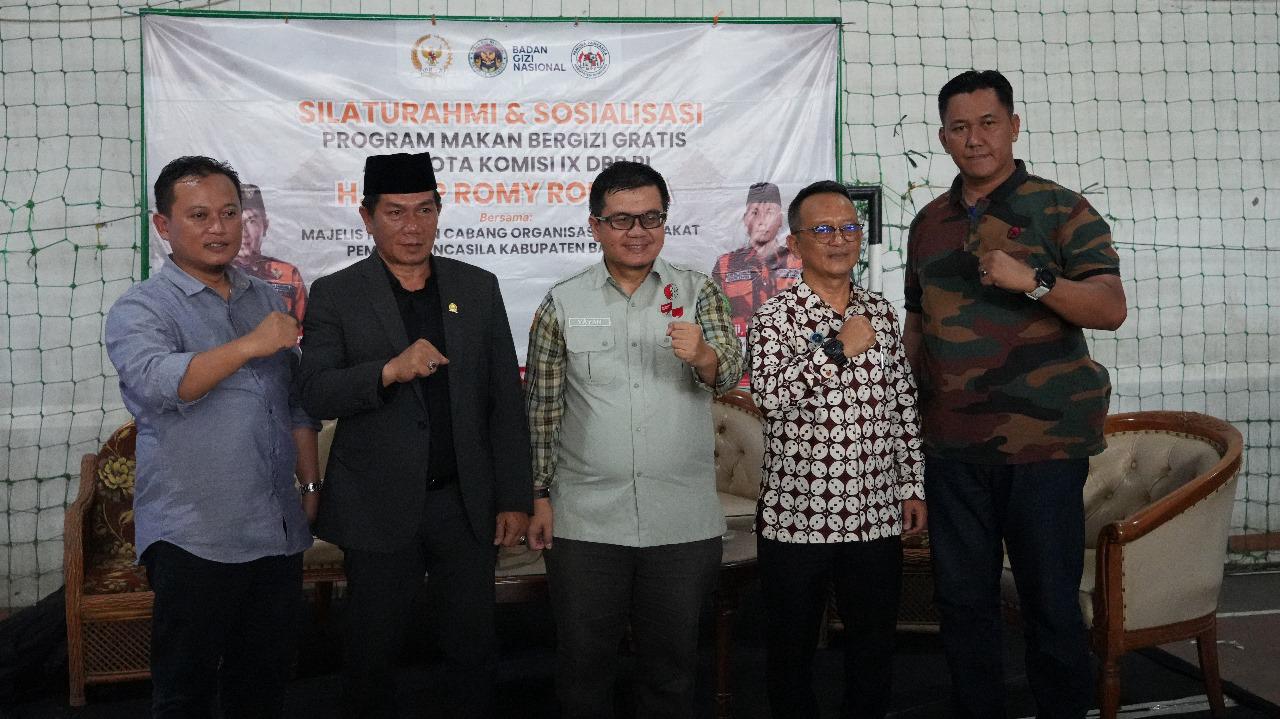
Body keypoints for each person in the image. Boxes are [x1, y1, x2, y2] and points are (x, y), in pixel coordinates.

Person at [903, 70, 1127, 719]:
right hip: (952, 449)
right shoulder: (929, 222)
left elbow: (1111, 308)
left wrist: (1034, 281)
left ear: (1014, 127)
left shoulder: (1061, 209)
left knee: (1050, 604)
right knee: (962, 604)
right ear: (943, 137)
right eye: (959, 127)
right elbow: (917, 325)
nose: (974, 138)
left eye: (988, 123)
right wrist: (902, 416)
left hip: (1044, 450)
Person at [297, 151, 531, 718]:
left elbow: (504, 400)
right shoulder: (336, 293)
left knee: (473, 649)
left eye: (425, 210)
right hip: (376, 506)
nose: (412, 226)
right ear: (367, 216)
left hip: (464, 504)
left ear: (439, 212)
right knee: (371, 653)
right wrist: (387, 371)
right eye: (396, 212)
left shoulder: (476, 287)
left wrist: (514, 498)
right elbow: (316, 392)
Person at [524, 160, 744, 718]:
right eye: (621, 219)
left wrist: (703, 354)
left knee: (670, 673)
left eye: (651, 217)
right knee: (583, 671)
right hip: (585, 520)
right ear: (595, 226)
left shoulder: (698, 291)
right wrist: (538, 494)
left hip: (680, 519)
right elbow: (542, 409)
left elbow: (729, 373)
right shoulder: (562, 302)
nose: (638, 231)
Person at [104, 155, 318, 717]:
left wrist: (309, 484)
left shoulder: (264, 298)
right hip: (194, 534)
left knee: (263, 686)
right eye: (199, 215)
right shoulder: (140, 307)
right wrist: (249, 345)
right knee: (185, 693)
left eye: (228, 213)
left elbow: (294, 402)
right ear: (163, 225)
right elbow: (161, 383)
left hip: (276, 530)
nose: (219, 228)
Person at [748, 180, 926, 719]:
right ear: (795, 244)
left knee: (872, 649)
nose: (839, 239)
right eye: (823, 229)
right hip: (795, 517)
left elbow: (903, 403)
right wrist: (838, 348)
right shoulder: (774, 317)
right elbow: (771, 397)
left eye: (849, 227)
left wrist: (912, 486)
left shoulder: (881, 312)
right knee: (791, 651)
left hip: (874, 514)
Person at [712, 182, 804, 361]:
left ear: (780, 219)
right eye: (755, 212)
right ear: (745, 219)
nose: (762, 221)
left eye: (769, 212)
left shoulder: (799, 262)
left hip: (792, 360)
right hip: (739, 361)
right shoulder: (725, 265)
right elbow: (715, 319)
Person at [235, 183, 308, 324]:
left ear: (265, 225)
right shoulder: (213, 274)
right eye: (237, 222)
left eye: (251, 221)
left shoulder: (288, 275)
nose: (244, 233)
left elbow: (302, 330)